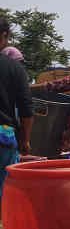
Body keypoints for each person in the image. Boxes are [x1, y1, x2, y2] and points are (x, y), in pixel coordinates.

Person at [0, 18, 32, 201]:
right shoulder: (14, 68)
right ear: (4, 35)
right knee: (4, 191)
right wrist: (25, 140)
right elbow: (26, 108)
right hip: (3, 135)